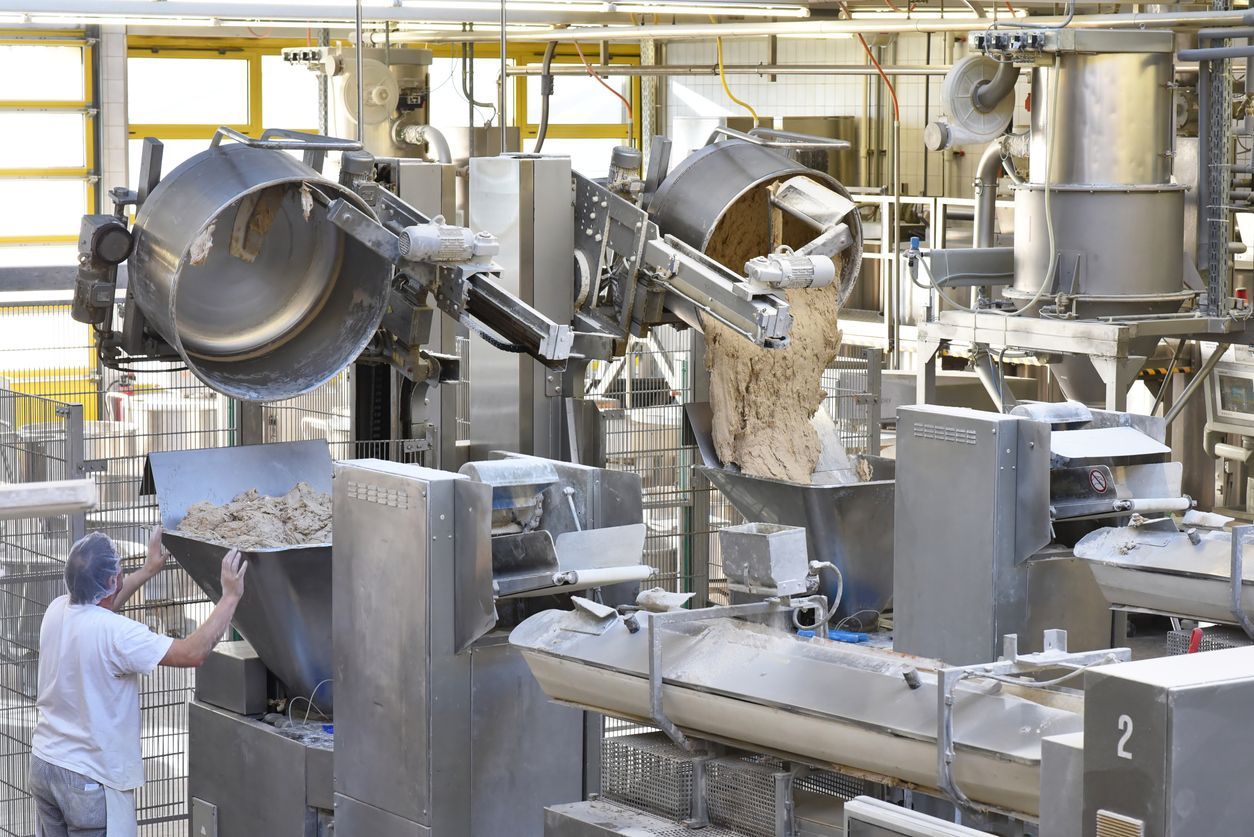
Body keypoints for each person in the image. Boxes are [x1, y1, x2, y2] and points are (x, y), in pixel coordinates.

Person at [30, 527, 248, 837]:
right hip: (89, 778)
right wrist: (229, 597)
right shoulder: (117, 634)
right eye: (119, 570)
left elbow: (102, 605)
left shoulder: (56, 610)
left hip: (45, 765)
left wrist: (147, 571)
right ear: (110, 582)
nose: (121, 575)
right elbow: (192, 653)